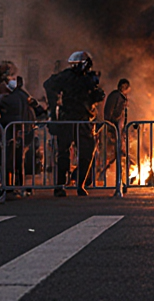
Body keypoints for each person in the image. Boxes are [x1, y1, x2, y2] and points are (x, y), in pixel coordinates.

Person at [45, 51, 105, 197]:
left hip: (72, 119)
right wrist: (54, 108)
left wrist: (54, 106)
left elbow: (48, 84)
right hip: (78, 120)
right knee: (78, 152)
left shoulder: (70, 76)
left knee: (71, 153)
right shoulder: (83, 78)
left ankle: (68, 185)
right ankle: (74, 185)